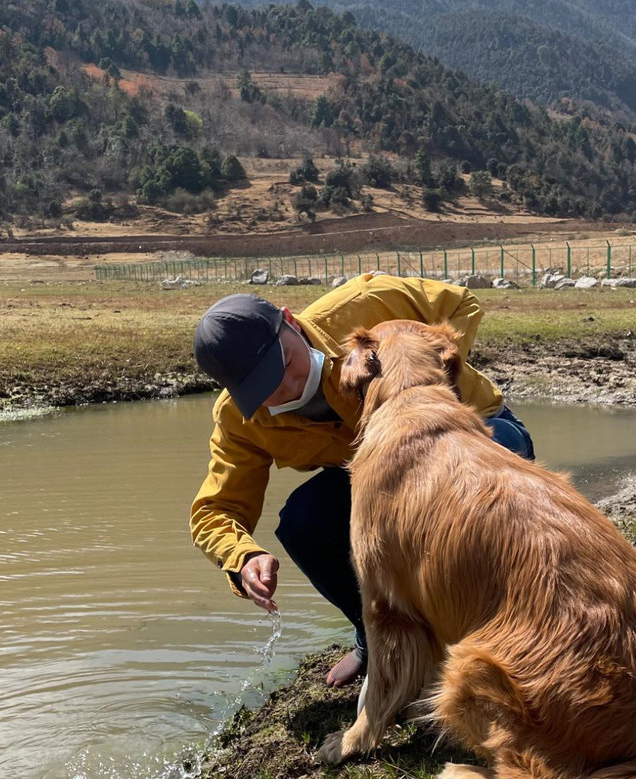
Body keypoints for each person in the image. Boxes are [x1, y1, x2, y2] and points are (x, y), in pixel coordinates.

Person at [189, 273, 535, 686]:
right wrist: (243, 558)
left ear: (290, 322)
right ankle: (377, 640)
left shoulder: (365, 303)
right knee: (303, 521)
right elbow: (216, 509)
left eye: (284, 362)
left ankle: (504, 620)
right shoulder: (239, 421)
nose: (286, 386)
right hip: (379, 472)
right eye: (263, 387)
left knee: (488, 498)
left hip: (474, 433)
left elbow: (462, 303)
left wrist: (435, 376)